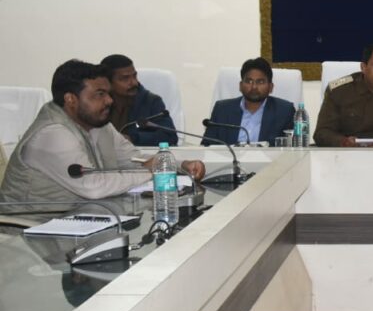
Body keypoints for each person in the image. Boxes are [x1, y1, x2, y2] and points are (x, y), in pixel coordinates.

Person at [0, 60, 205, 208]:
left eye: (108, 93)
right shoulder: (51, 133)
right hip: (30, 231)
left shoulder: (97, 123)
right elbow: (93, 186)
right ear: (71, 99)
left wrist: (179, 165)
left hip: (80, 220)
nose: (109, 101)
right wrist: (155, 172)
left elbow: (134, 160)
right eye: (99, 94)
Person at [202, 58, 295, 146]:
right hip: (229, 158)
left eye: (260, 82)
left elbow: (292, 149)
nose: (254, 87)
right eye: (249, 81)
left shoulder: (284, 111)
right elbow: (206, 146)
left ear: (270, 87)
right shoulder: (222, 109)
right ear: (240, 85)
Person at [100, 54, 177, 146]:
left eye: (134, 76)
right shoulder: (98, 103)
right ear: (107, 82)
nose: (134, 82)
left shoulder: (151, 102)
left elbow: (170, 136)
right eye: (125, 79)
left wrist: (133, 138)